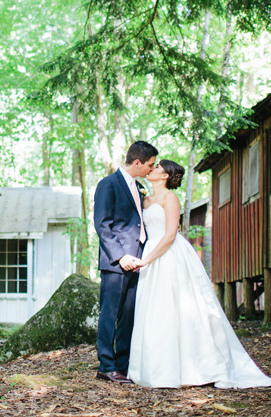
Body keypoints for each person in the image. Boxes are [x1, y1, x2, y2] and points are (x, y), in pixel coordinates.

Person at [127, 159, 271, 389]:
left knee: (181, 310)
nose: (151, 170)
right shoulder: (145, 199)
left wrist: (146, 260)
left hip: (169, 255)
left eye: (156, 168)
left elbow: (171, 235)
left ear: (164, 176)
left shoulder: (169, 198)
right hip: (150, 253)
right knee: (155, 311)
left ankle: (194, 368)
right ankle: (156, 367)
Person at [93, 141, 158, 384]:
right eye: (150, 165)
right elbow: (102, 224)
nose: (151, 170)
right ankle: (106, 366)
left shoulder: (139, 187)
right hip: (116, 262)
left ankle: (122, 364)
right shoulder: (108, 184)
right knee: (110, 314)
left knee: (129, 315)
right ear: (138, 162)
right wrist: (121, 256)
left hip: (139, 260)